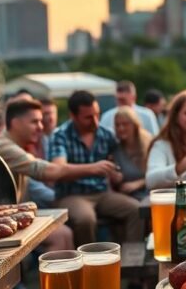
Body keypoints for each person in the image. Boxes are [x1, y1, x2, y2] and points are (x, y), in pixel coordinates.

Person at [0, 99, 75, 289]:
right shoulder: (4, 146)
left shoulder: (16, 146)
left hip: (13, 215)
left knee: (64, 233)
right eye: (35, 122)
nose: (41, 126)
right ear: (16, 123)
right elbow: (46, 171)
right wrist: (94, 168)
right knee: (60, 235)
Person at [48, 91, 142, 248]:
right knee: (85, 219)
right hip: (71, 194)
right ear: (73, 116)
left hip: (102, 193)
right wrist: (93, 169)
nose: (95, 122)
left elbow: (120, 161)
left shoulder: (105, 135)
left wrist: (117, 175)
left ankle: (132, 259)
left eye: (97, 115)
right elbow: (58, 169)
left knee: (136, 209)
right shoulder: (61, 136)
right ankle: (89, 266)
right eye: (88, 118)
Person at [112, 106, 151, 198]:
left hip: (150, 193)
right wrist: (116, 178)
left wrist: (138, 183)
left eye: (125, 124)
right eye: (117, 125)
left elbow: (159, 175)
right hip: (129, 197)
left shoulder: (149, 144)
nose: (121, 128)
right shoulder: (115, 149)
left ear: (135, 125)